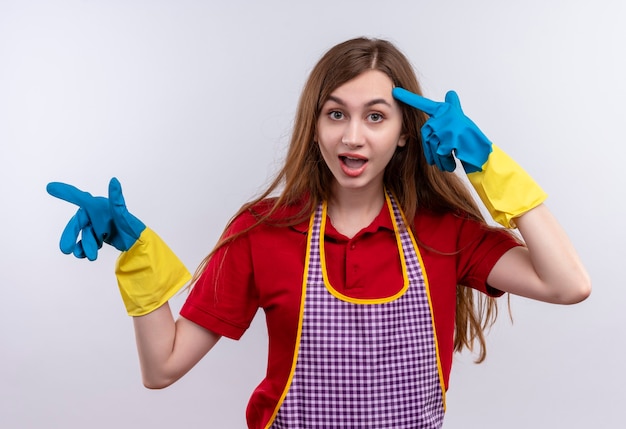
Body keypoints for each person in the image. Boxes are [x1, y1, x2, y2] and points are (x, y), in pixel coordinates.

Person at [47, 37, 591, 428]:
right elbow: (161, 368)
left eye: (376, 116)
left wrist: (487, 164)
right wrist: (138, 255)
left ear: (405, 133)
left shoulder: (442, 231)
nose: (353, 137)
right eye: (336, 114)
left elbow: (569, 284)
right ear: (315, 124)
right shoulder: (262, 231)